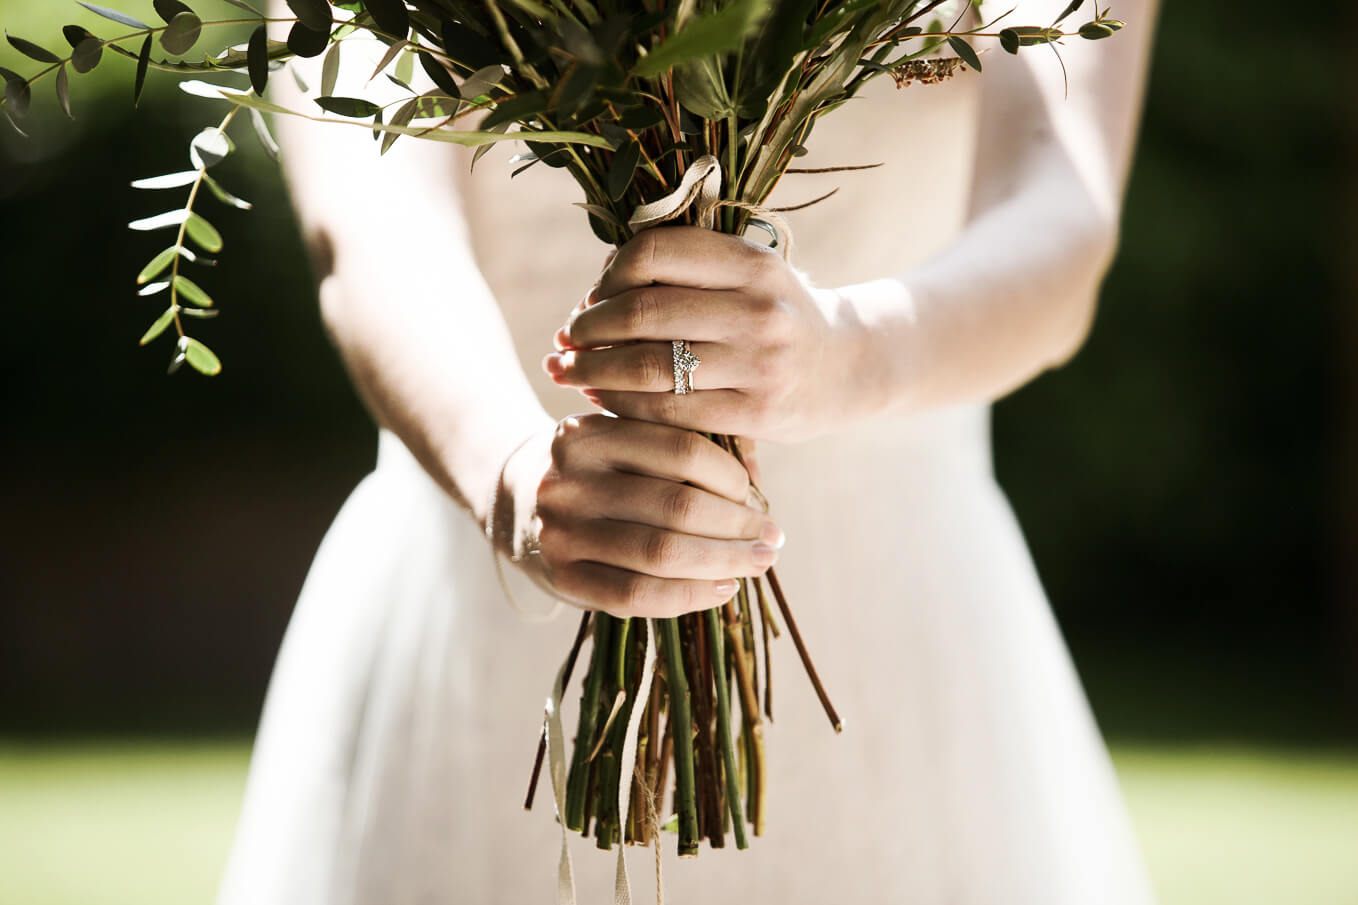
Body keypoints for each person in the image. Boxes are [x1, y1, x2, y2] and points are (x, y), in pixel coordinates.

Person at [218, 0, 1162, 901]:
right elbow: (375, 228)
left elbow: (1061, 216)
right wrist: (511, 478)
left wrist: (845, 353)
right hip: (492, 579)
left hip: (896, 603)